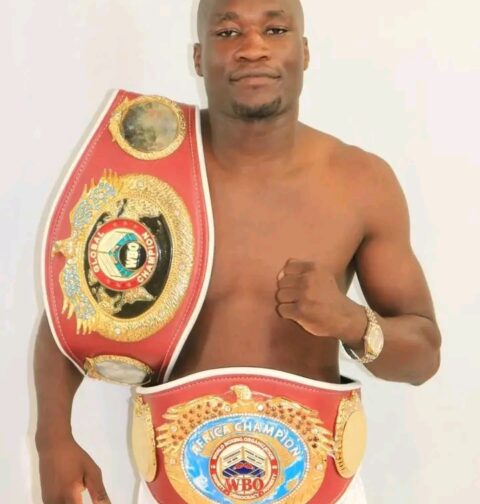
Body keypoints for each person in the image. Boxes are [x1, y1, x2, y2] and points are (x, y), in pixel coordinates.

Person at [34, 0, 442, 503]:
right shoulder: (149, 172)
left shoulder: (361, 183)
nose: (252, 49)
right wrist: (52, 439)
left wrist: (351, 321)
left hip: (325, 492)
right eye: (228, 33)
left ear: (305, 51)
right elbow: (72, 307)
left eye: (275, 29)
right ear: (199, 57)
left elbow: (424, 356)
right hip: (171, 490)